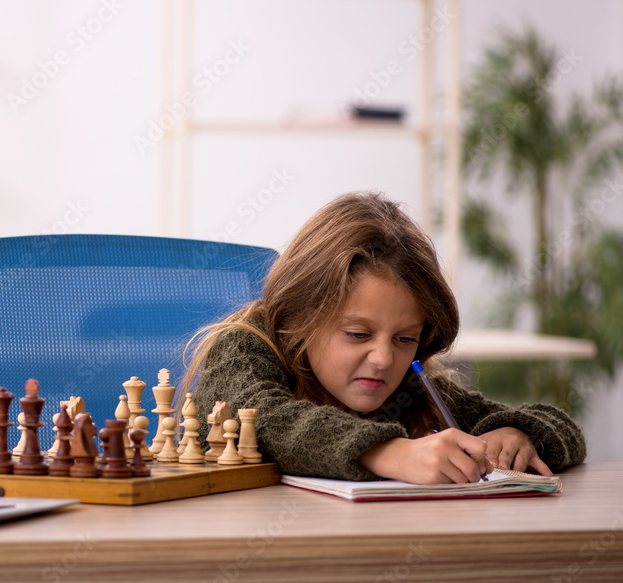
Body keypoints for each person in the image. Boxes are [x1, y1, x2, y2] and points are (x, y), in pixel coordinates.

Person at [182, 191, 586, 483]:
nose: (382, 359)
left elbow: (562, 428)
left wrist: (516, 434)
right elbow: (262, 418)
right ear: (300, 318)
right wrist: (388, 452)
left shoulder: (409, 389)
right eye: (358, 334)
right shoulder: (247, 345)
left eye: (405, 338)